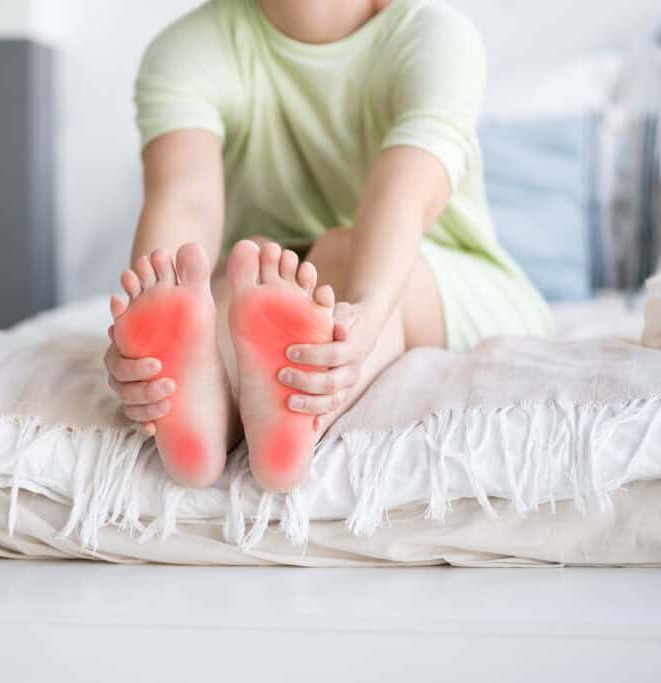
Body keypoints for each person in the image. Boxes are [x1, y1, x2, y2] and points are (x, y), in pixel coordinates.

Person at [103, 0, 553, 493]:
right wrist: (148, 324)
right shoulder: (187, 50)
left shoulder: (435, 35)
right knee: (245, 264)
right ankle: (206, 413)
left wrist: (365, 314)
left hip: (446, 276)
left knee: (343, 253)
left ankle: (293, 410)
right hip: (284, 274)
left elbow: (403, 198)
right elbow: (185, 203)